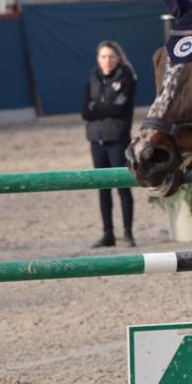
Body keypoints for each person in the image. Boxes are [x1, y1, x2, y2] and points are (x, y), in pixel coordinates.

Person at [82, 40, 138, 248]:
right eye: (103, 56)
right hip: (96, 140)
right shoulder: (93, 77)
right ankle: (108, 234)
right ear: (98, 58)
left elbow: (121, 109)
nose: (107, 60)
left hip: (118, 139)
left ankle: (128, 233)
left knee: (123, 186)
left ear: (118, 58)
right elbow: (84, 111)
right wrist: (107, 107)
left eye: (111, 56)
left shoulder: (127, 77)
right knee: (103, 188)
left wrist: (98, 107)